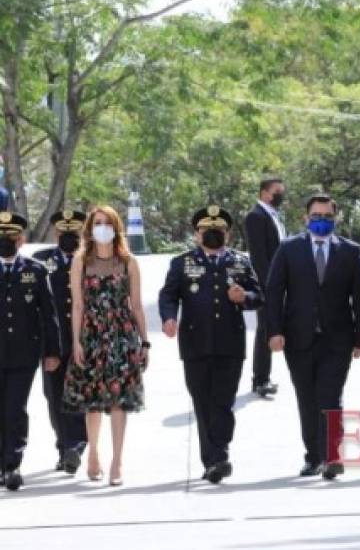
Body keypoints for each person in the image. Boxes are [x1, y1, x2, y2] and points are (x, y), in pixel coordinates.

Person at [266, 193, 360, 480]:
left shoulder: (350, 251)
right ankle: (312, 456)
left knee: (331, 397)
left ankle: (332, 456)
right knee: (307, 398)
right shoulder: (288, 249)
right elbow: (274, 293)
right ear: (305, 218)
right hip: (298, 338)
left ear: (335, 219)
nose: (321, 221)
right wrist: (274, 331)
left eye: (327, 217)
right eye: (316, 216)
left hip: (338, 339)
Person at [159, 205, 263, 484]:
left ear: (227, 235)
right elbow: (168, 295)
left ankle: (218, 454)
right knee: (203, 402)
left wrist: (245, 297)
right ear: (196, 235)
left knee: (223, 403)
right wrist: (169, 318)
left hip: (230, 342)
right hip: (195, 343)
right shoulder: (182, 263)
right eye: (206, 230)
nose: (212, 234)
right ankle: (216, 459)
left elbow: (259, 295)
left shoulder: (240, 262)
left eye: (218, 230)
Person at [62, 205, 149, 486]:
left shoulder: (128, 261)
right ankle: (94, 454)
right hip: (91, 335)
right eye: (97, 223)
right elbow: (77, 305)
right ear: (89, 228)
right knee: (93, 402)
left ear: (116, 227)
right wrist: (76, 341)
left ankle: (117, 461)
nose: (102, 228)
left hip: (121, 336)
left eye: (107, 223)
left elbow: (136, 305)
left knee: (118, 400)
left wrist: (144, 342)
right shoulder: (80, 261)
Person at [0, 212, 61, 491]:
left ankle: (12, 465)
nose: (5, 242)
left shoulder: (36, 270)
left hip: (23, 354)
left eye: (10, 237)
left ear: (21, 240)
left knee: (15, 408)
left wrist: (52, 352)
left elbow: (49, 315)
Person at [33, 210, 88, 475]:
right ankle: (65, 447)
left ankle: (75, 446)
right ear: (56, 234)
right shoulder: (41, 261)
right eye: (64, 234)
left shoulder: (92, 260)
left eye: (74, 234)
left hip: (84, 340)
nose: (69, 238)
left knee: (79, 395)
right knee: (54, 397)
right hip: (52, 342)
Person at [244, 176, 287, 399]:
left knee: (271, 328)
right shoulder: (255, 217)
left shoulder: (274, 216)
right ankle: (260, 379)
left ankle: (264, 377)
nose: (280, 195)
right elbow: (259, 257)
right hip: (268, 284)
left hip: (281, 282)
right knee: (265, 329)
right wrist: (270, 285)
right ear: (264, 193)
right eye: (276, 191)